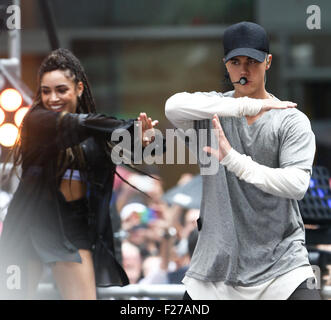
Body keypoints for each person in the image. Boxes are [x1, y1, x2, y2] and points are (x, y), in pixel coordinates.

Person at [165, 21, 321, 300]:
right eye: (235, 62)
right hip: (215, 273)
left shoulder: (291, 119)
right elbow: (173, 106)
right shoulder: (211, 112)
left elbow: (297, 185)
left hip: (282, 269)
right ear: (225, 65)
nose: (244, 70)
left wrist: (235, 161)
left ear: (268, 62)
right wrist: (247, 105)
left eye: (252, 61)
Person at [0, 48, 159, 300]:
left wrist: (141, 139)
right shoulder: (36, 122)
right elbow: (81, 124)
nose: (52, 98)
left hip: (72, 227)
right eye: (45, 91)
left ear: (79, 89)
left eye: (61, 90)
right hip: (30, 222)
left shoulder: (94, 137)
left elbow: (129, 149)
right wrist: (125, 126)